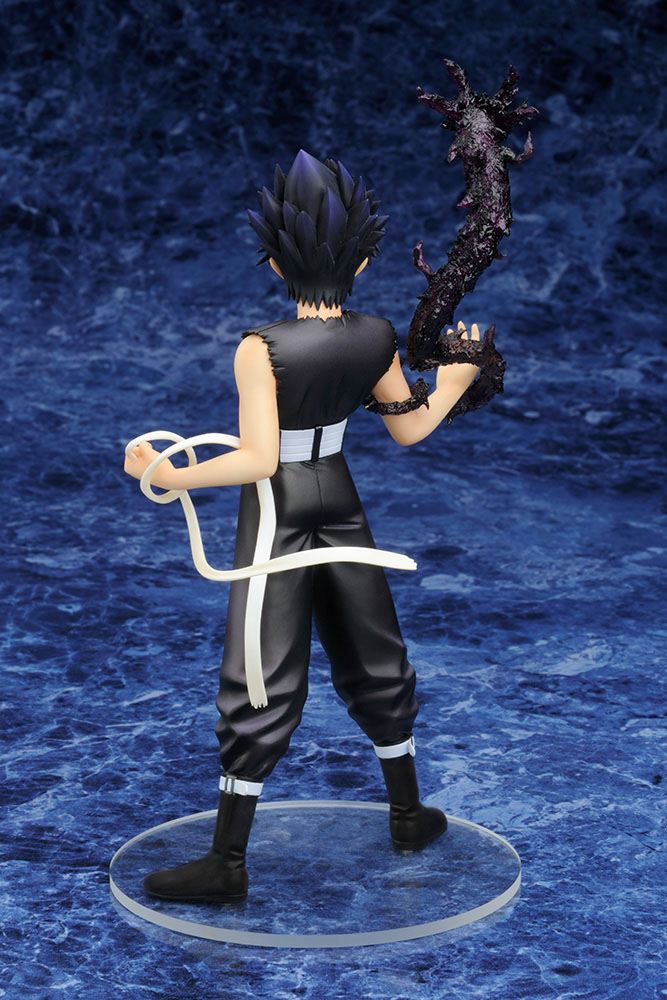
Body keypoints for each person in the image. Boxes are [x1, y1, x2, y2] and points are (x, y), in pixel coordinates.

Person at [124, 149, 482, 905]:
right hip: (338, 491)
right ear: (362, 260)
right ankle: (407, 813)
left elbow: (257, 458)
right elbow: (408, 429)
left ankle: (227, 860)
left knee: (261, 662)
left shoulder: (263, 347)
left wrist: (166, 472)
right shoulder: (375, 334)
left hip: (279, 504)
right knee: (372, 643)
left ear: (274, 263)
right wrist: (452, 383)